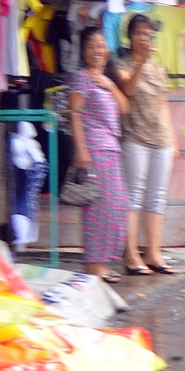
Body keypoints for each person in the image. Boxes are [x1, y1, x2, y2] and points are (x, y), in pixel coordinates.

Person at [112, 12, 177, 274]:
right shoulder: (122, 63)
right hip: (135, 137)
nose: (144, 38)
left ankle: (153, 253)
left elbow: (163, 103)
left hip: (160, 137)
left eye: (148, 34)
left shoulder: (158, 67)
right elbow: (127, 89)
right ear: (130, 36)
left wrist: (173, 138)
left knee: (157, 197)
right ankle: (130, 255)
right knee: (134, 196)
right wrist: (142, 62)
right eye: (139, 33)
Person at [67, 26, 130, 283]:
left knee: (117, 207)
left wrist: (109, 85)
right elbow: (74, 113)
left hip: (111, 149)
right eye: (92, 46)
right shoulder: (81, 78)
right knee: (98, 209)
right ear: (83, 50)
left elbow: (125, 108)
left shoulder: (105, 80)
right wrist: (81, 150)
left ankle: (103, 262)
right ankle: (95, 266)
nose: (97, 51)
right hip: (94, 149)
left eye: (101, 46)